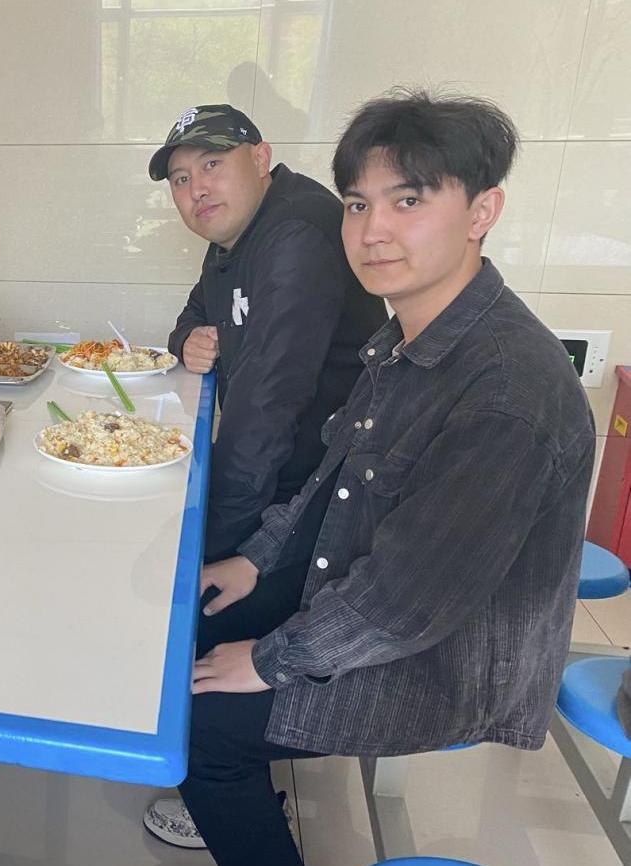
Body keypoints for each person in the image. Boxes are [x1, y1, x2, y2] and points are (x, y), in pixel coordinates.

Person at [171, 90, 594, 865]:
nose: (372, 231)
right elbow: (332, 479)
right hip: (370, 593)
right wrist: (254, 561)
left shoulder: (505, 392)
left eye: (408, 200)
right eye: (357, 204)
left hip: (439, 663)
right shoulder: (407, 335)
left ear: (481, 210)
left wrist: (266, 659)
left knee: (196, 732)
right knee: (186, 626)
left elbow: (406, 606)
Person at [143, 104, 385, 847]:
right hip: (294, 481)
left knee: (184, 626)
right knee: (184, 595)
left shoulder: (295, 236)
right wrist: (189, 340)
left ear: (260, 157)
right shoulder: (234, 239)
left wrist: (208, 544)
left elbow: (265, 415)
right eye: (180, 178)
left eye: (212, 164)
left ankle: (224, 770)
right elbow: (193, 317)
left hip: (323, 497)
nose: (196, 188)